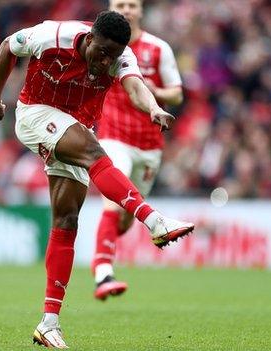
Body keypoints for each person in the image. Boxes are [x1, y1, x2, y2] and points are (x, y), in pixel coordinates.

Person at [0, 11, 194, 349]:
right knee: (95, 153)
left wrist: (152, 109)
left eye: (114, 54)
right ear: (90, 38)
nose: (105, 60)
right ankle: (153, 221)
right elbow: (9, 45)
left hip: (75, 124)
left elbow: (135, 87)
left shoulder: (121, 56)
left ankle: (49, 324)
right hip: (35, 113)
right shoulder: (53, 35)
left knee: (66, 220)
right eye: (102, 51)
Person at [91, 0, 184, 301]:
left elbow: (178, 94)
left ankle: (103, 245)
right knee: (114, 204)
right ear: (111, 8)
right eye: (121, 4)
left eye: (132, 4)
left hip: (149, 145)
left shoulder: (158, 49)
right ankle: (102, 270)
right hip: (113, 137)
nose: (127, 9)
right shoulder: (102, 45)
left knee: (124, 219)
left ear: (141, 10)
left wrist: (155, 93)